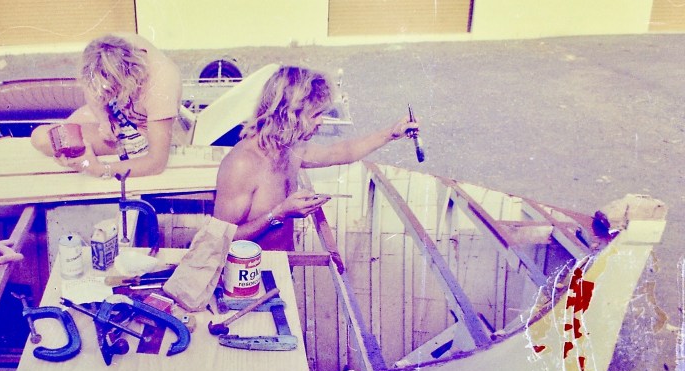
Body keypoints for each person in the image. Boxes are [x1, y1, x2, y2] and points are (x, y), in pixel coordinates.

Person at [213, 66, 419, 251]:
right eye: (315, 115)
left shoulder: (291, 148)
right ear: (288, 114)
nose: (321, 121)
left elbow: (341, 152)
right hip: (245, 277)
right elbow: (219, 240)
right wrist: (279, 213)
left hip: (283, 268)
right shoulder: (242, 163)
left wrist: (391, 134)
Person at [31, 33, 182, 178]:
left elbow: (157, 163)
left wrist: (100, 169)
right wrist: (104, 119)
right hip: (116, 112)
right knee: (55, 138)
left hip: (140, 129)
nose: (104, 95)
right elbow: (90, 87)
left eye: (112, 90)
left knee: (44, 139)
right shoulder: (110, 46)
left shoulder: (161, 86)